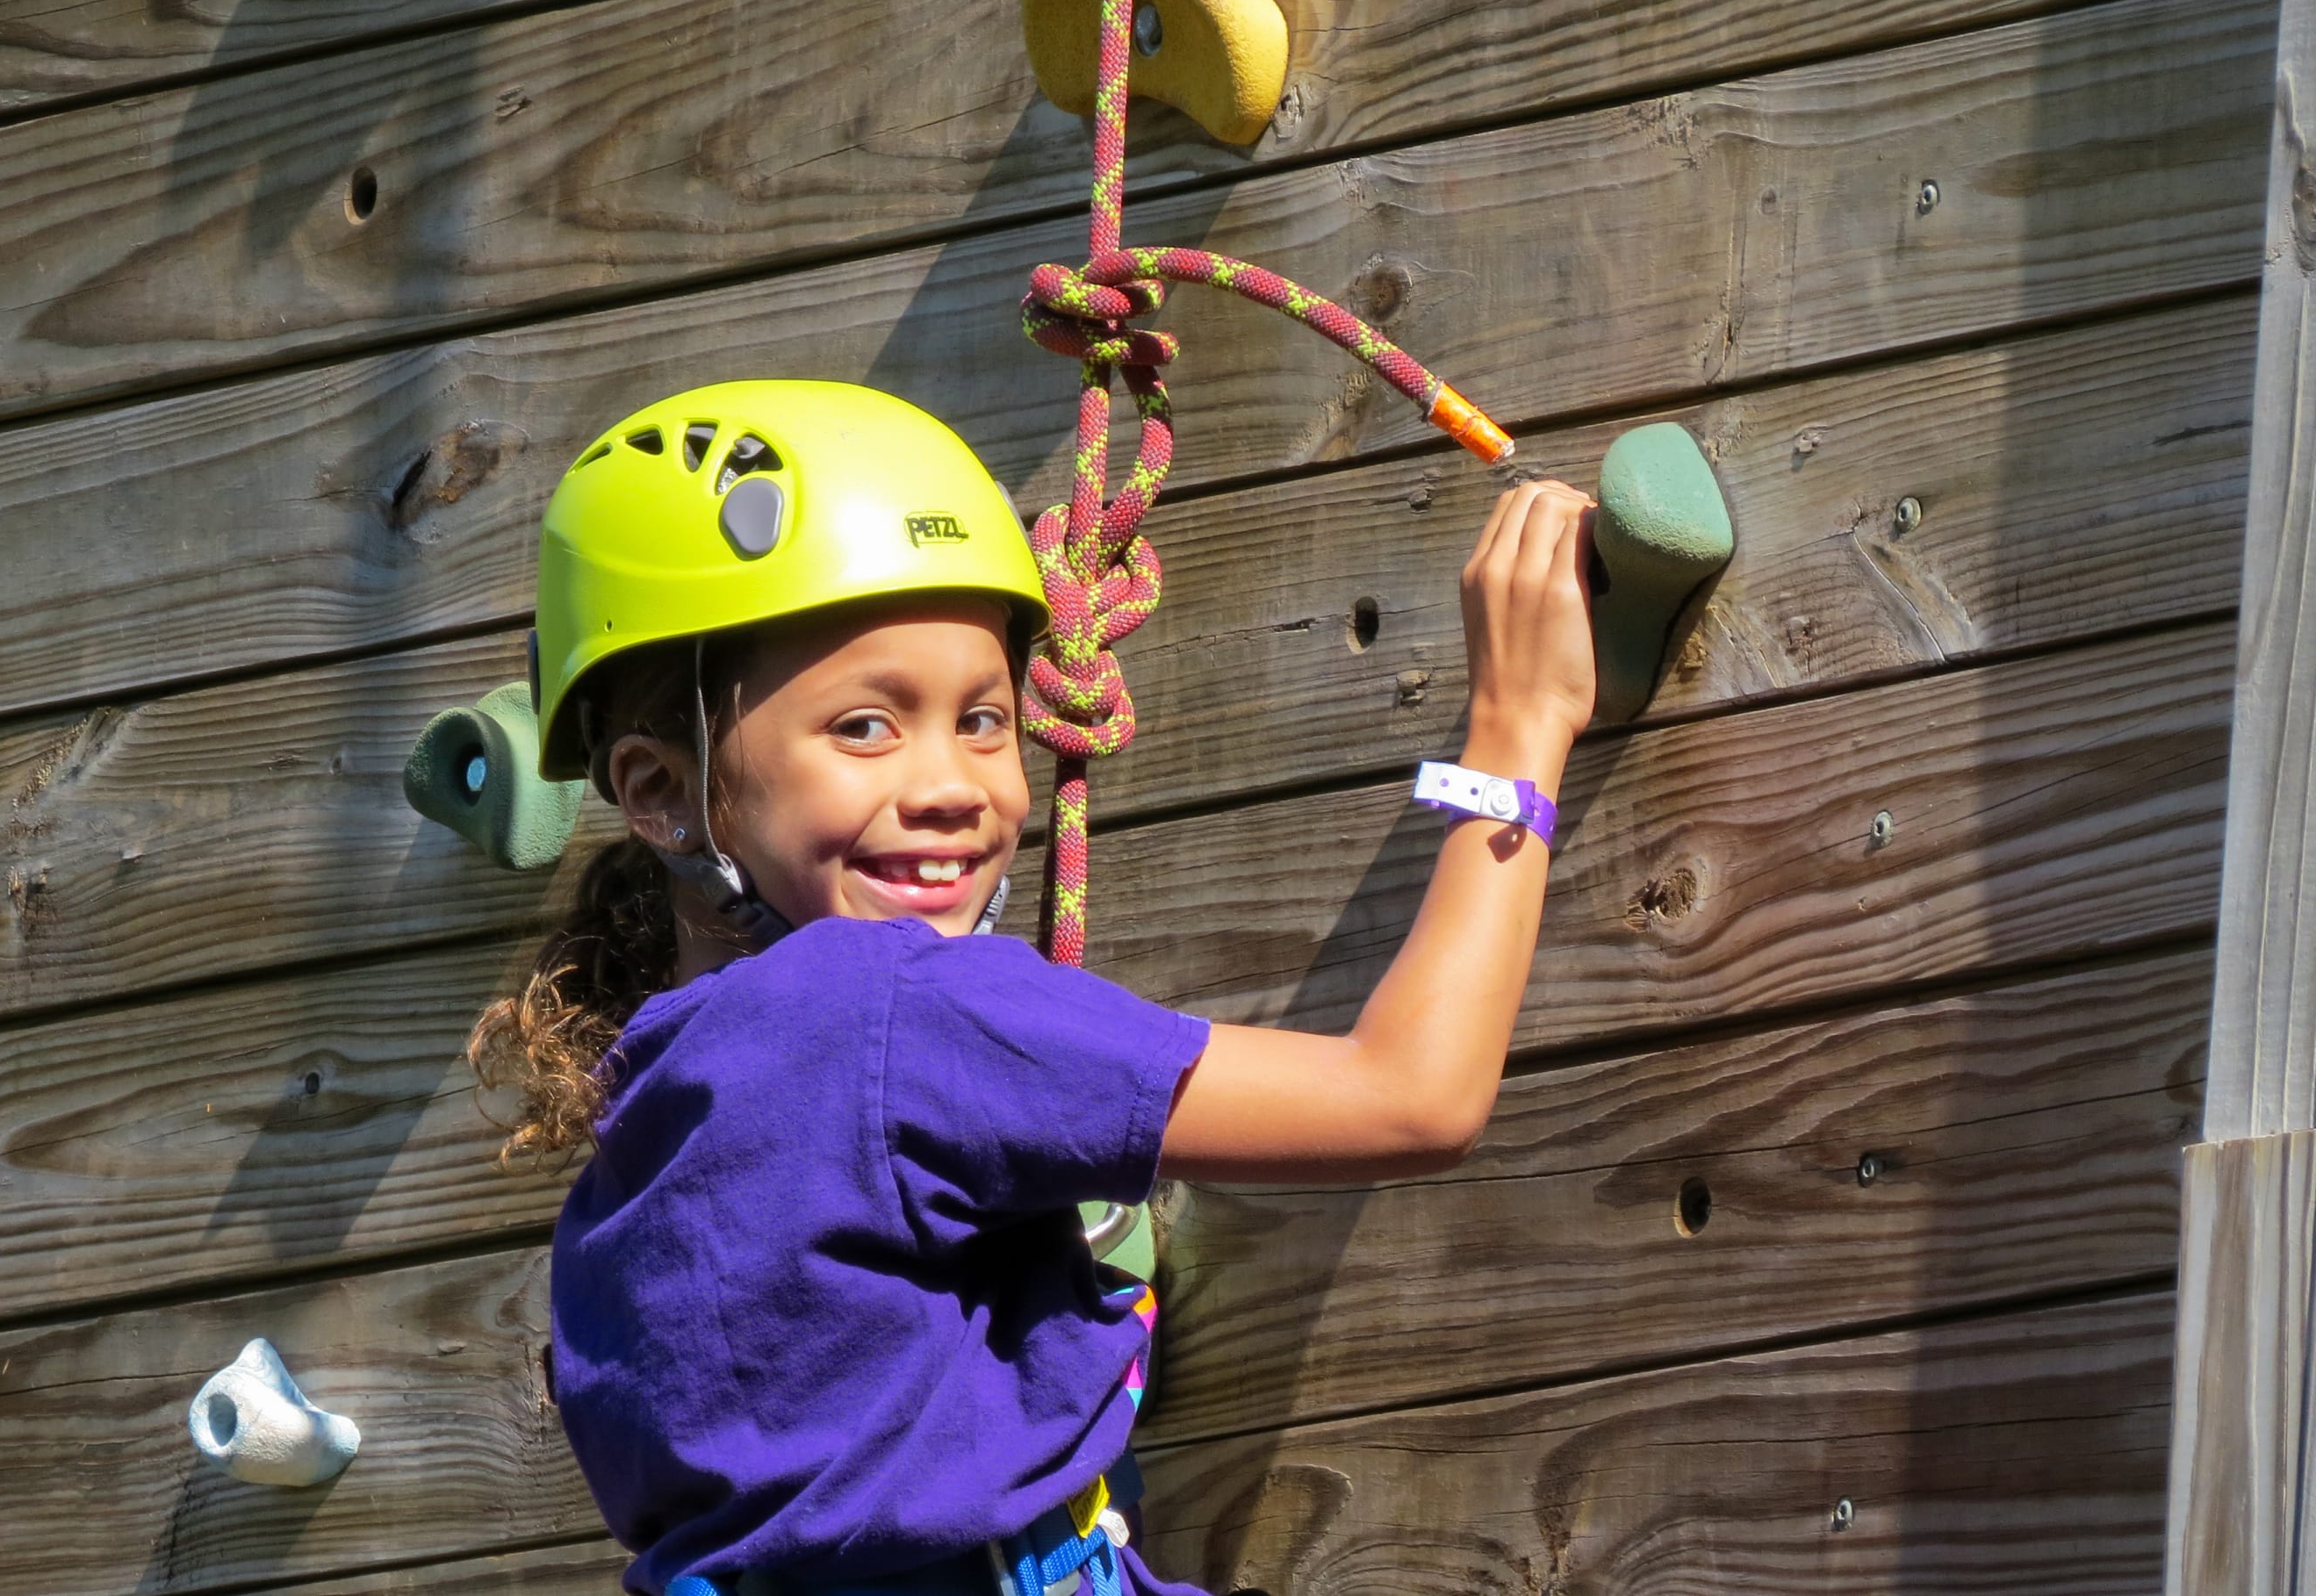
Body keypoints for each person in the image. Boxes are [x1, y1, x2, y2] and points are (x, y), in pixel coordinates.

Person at [469, 380, 1596, 1596]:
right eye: (864, 725)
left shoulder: (630, 1158)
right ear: (659, 790)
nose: (953, 783)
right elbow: (1413, 1094)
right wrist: (1520, 728)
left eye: (985, 719)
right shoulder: (890, 1004)